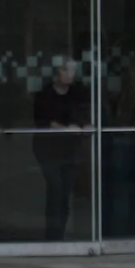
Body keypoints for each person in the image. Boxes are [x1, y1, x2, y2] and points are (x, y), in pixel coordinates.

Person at [32, 60, 90, 241]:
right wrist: (65, 128)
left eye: (72, 70)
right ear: (57, 72)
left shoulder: (77, 94)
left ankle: (59, 235)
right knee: (56, 189)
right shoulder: (45, 95)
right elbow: (45, 120)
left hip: (70, 149)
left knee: (64, 192)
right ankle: (53, 236)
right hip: (48, 149)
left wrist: (85, 126)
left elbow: (83, 116)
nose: (70, 74)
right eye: (66, 70)